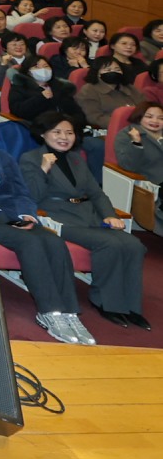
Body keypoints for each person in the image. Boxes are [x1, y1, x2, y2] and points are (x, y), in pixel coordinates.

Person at [0, 109, 93, 345]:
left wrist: (26, 214)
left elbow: (21, 191)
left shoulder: (2, 156)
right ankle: (49, 311)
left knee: (53, 241)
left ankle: (69, 312)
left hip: (12, 214)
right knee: (29, 242)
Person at [20, 112, 148, 331]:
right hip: (57, 217)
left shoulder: (77, 158)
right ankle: (106, 302)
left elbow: (96, 193)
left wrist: (111, 215)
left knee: (133, 244)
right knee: (109, 243)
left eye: (69, 132)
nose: (64, 137)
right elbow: (31, 196)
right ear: (43, 134)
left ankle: (131, 306)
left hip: (87, 215)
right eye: (57, 132)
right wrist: (43, 169)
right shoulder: (31, 158)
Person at [77, 58, 144, 130]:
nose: (114, 72)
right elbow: (94, 117)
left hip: (140, 126)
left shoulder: (129, 87)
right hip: (110, 130)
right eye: (108, 70)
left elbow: (145, 107)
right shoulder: (89, 90)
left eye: (117, 69)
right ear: (97, 73)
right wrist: (121, 123)